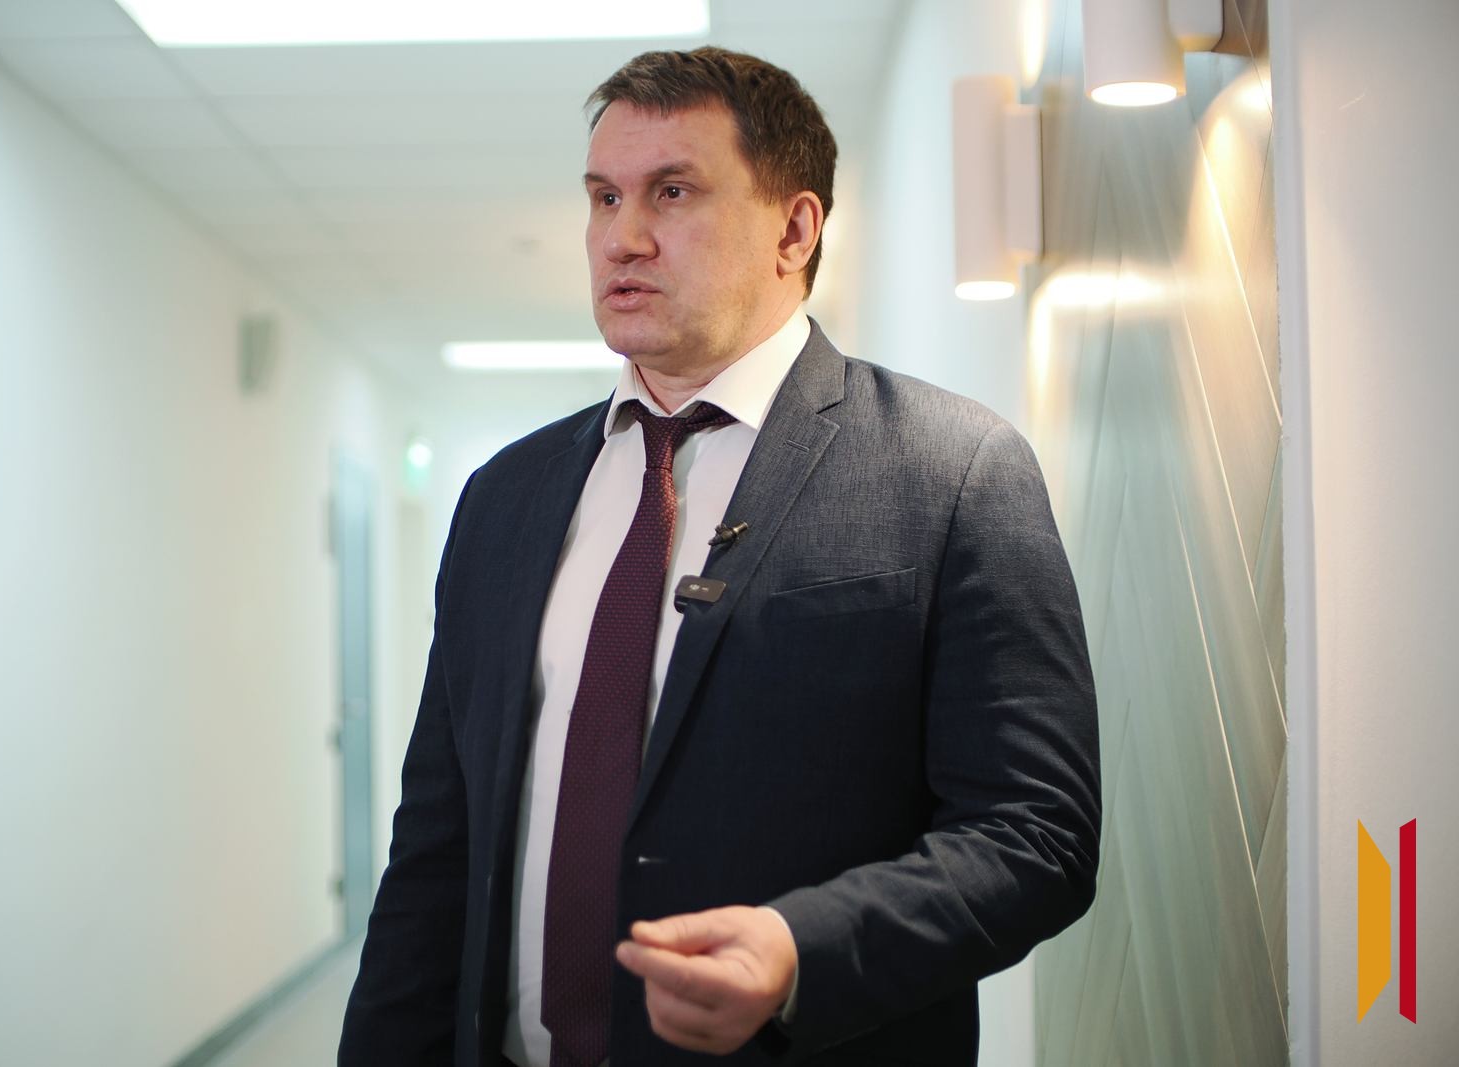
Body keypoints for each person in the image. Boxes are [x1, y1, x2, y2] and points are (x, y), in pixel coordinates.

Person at [339, 46, 1101, 1067]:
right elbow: (438, 844)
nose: (623, 236)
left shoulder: (952, 469)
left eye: (672, 191)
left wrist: (798, 950)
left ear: (794, 229)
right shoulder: (504, 498)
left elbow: (1035, 833)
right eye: (604, 197)